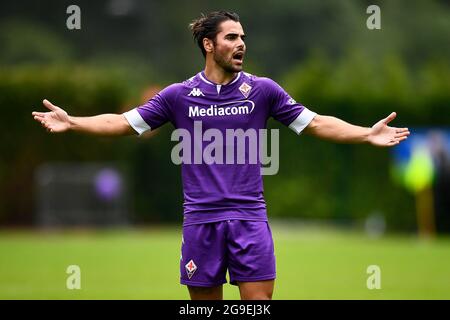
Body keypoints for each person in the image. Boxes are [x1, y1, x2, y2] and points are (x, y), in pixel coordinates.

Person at [32, 11, 410, 300]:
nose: (241, 43)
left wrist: (366, 134)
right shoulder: (177, 95)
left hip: (249, 219)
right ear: (209, 45)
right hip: (201, 222)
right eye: (231, 37)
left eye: (243, 37)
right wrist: (75, 122)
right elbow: (123, 122)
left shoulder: (263, 91)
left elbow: (315, 123)